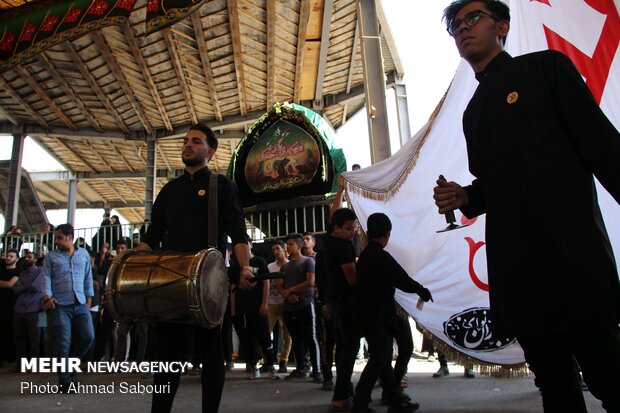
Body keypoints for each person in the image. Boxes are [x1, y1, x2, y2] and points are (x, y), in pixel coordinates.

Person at [433, 1, 620, 412]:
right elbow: (494, 186)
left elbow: (601, 144)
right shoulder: (474, 113)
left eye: (473, 18)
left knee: (610, 377)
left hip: (573, 258)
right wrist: (466, 196)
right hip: (520, 275)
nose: (463, 29)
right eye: (456, 26)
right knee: (555, 389)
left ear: (502, 25)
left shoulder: (546, 69)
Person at [136, 123, 253, 413]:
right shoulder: (170, 190)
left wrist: (246, 267)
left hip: (209, 283)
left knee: (212, 354)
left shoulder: (221, 185)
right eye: (186, 141)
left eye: (196, 141)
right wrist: (134, 264)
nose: (188, 145)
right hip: (169, 283)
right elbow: (152, 235)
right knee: (168, 358)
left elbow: (238, 232)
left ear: (210, 151)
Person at [351, 213, 432, 413]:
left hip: (370, 313)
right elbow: (401, 279)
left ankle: (394, 400)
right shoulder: (379, 255)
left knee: (384, 358)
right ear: (387, 234)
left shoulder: (367, 255)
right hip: (376, 314)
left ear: (368, 233)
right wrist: (421, 290)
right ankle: (360, 403)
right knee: (380, 358)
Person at [42, 224, 95, 392]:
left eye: (59, 237)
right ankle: (65, 382)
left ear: (69, 237)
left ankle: (69, 366)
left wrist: (88, 301)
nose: (56, 241)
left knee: (88, 336)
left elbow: (88, 277)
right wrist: (47, 297)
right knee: (63, 342)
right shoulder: (51, 257)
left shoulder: (84, 255)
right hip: (59, 305)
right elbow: (46, 278)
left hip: (80, 304)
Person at [322, 208, 359, 412]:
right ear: (336, 228)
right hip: (345, 303)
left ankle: (343, 390)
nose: (352, 232)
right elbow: (352, 279)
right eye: (348, 228)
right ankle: (340, 396)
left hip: (334, 301)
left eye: (354, 228)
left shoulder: (328, 244)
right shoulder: (343, 247)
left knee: (344, 348)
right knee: (349, 348)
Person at [276, 233, 322, 382]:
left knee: (311, 338)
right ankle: (301, 368)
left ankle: (317, 370)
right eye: (287, 245)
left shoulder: (309, 261)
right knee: (296, 338)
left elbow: (310, 282)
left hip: (306, 304)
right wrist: (287, 295)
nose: (287, 247)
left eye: (290, 244)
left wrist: (290, 290)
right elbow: (279, 286)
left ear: (299, 245)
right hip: (289, 307)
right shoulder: (285, 265)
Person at [230, 241, 277, 379]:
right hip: (242, 308)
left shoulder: (259, 261)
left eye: (245, 244)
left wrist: (264, 303)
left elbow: (266, 283)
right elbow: (232, 289)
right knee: (247, 339)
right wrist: (233, 310)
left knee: (264, 337)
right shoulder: (235, 265)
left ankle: (270, 366)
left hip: (258, 307)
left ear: (250, 245)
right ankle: (253, 366)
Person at [12, 251, 45, 365]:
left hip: (35, 308)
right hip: (20, 308)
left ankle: (33, 364)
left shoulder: (41, 271)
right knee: (19, 338)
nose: (27, 258)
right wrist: (25, 287)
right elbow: (15, 289)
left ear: (35, 259)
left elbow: (35, 287)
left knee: (34, 339)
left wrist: (22, 287)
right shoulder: (22, 273)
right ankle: (20, 364)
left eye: (29, 257)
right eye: (25, 257)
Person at [266, 240, 292, 373]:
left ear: (284, 249)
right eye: (273, 250)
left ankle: (283, 361)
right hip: (271, 302)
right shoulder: (270, 267)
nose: (276, 252)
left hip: (285, 303)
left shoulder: (290, 265)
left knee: (287, 334)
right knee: (266, 332)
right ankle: (267, 361)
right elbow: (266, 285)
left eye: (278, 249)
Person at [0, 249, 20, 366]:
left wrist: (3, 283)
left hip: (11, 304)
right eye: (7, 256)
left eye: (11, 256)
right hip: (1, 302)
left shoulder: (17, 271)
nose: (8, 258)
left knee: (9, 329)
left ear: (16, 259)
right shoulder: (1, 270)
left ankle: (10, 356)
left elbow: (9, 284)